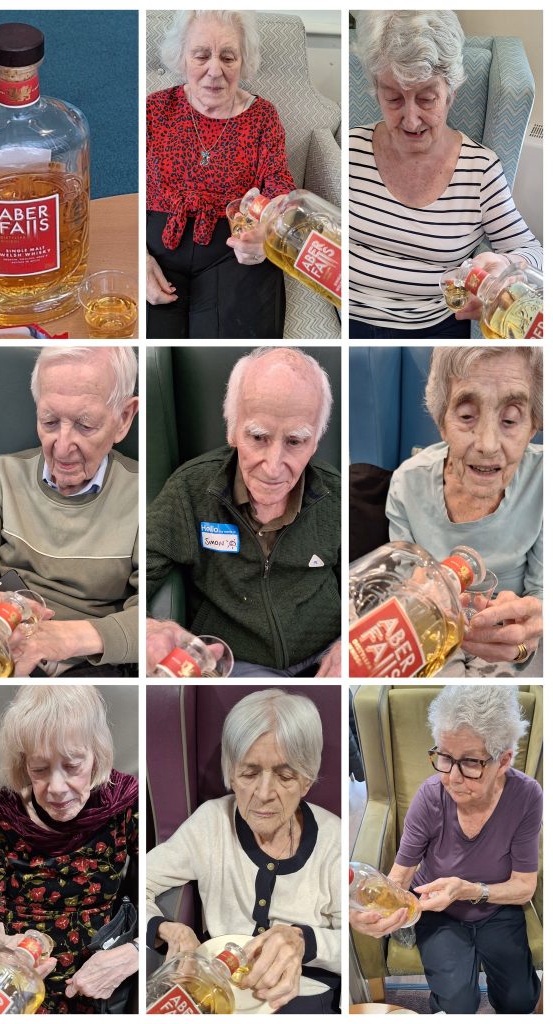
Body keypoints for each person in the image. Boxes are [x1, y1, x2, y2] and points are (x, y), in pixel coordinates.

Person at [0, 347, 139, 675]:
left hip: (90, 662)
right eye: (49, 421)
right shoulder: (0, 477)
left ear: (123, 419)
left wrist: (68, 638)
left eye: (85, 425)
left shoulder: (142, 497)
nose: (62, 446)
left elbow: (153, 616)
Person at [147, 347, 341, 676]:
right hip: (233, 666)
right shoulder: (190, 491)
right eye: (258, 437)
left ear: (316, 441)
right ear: (233, 430)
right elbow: (135, 579)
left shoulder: (337, 496)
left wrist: (347, 644)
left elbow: (369, 591)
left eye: (295, 441)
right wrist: (150, 628)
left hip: (327, 658)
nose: (274, 465)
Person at [349, 11, 542, 338]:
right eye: (393, 98)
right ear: (376, 90)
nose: (411, 120)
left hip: (433, 326)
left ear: (451, 92)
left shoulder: (479, 169)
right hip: (347, 316)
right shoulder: (351, 149)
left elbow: (534, 252)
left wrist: (508, 267)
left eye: (427, 99)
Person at [146, 689, 341, 1013]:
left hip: (302, 992)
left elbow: (351, 937)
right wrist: (169, 928)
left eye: (285, 775)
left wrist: (303, 942)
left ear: (306, 781)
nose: (263, 794)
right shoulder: (210, 822)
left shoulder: (333, 839)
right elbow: (142, 882)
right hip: (216, 986)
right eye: (249, 773)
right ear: (232, 774)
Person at [350, 685, 540, 1014]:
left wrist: (467, 890)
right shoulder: (429, 797)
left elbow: (524, 886)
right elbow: (402, 873)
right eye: (444, 757)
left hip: (497, 908)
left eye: (469, 763)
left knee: (520, 1000)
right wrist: (376, 909)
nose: (451, 777)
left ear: (504, 760)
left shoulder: (526, 797)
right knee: (458, 1003)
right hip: (439, 913)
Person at [0, 685, 139, 1013]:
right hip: (23, 966)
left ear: (96, 755)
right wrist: (3, 945)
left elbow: (152, 884)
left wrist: (132, 951)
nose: (57, 788)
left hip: (98, 968)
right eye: (40, 769)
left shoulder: (124, 805)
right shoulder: (1, 814)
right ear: (23, 764)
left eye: (73, 765)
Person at [387, 347, 542, 674]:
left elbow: (542, 595)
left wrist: (526, 636)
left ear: (533, 426)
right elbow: (400, 589)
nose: (487, 444)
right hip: (435, 632)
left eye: (510, 419)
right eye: (467, 415)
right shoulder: (406, 483)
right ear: (442, 422)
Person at [146, 11, 295, 339]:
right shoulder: (154, 110)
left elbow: (280, 184)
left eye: (228, 57)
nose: (215, 70)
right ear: (182, 58)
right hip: (156, 250)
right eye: (201, 55)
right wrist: (137, 260)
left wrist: (265, 238)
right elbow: (125, 192)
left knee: (235, 346)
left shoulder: (262, 117)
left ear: (243, 61)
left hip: (232, 251)